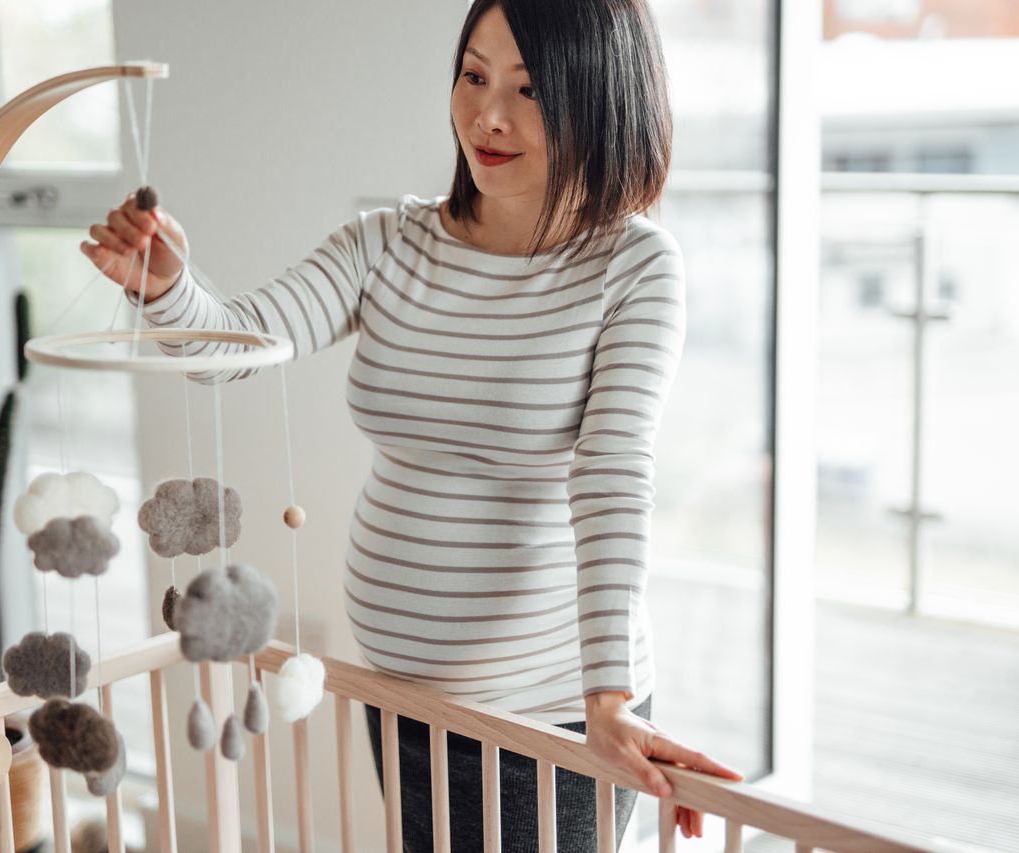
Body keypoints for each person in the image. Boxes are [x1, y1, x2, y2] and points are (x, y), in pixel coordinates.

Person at [82, 0, 743, 848]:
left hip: (547, 718)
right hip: (404, 701)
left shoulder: (633, 266)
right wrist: (161, 284)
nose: (487, 115)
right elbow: (235, 346)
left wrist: (606, 699)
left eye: (530, 89)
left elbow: (613, 474)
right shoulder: (388, 244)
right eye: (473, 75)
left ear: (601, 95)